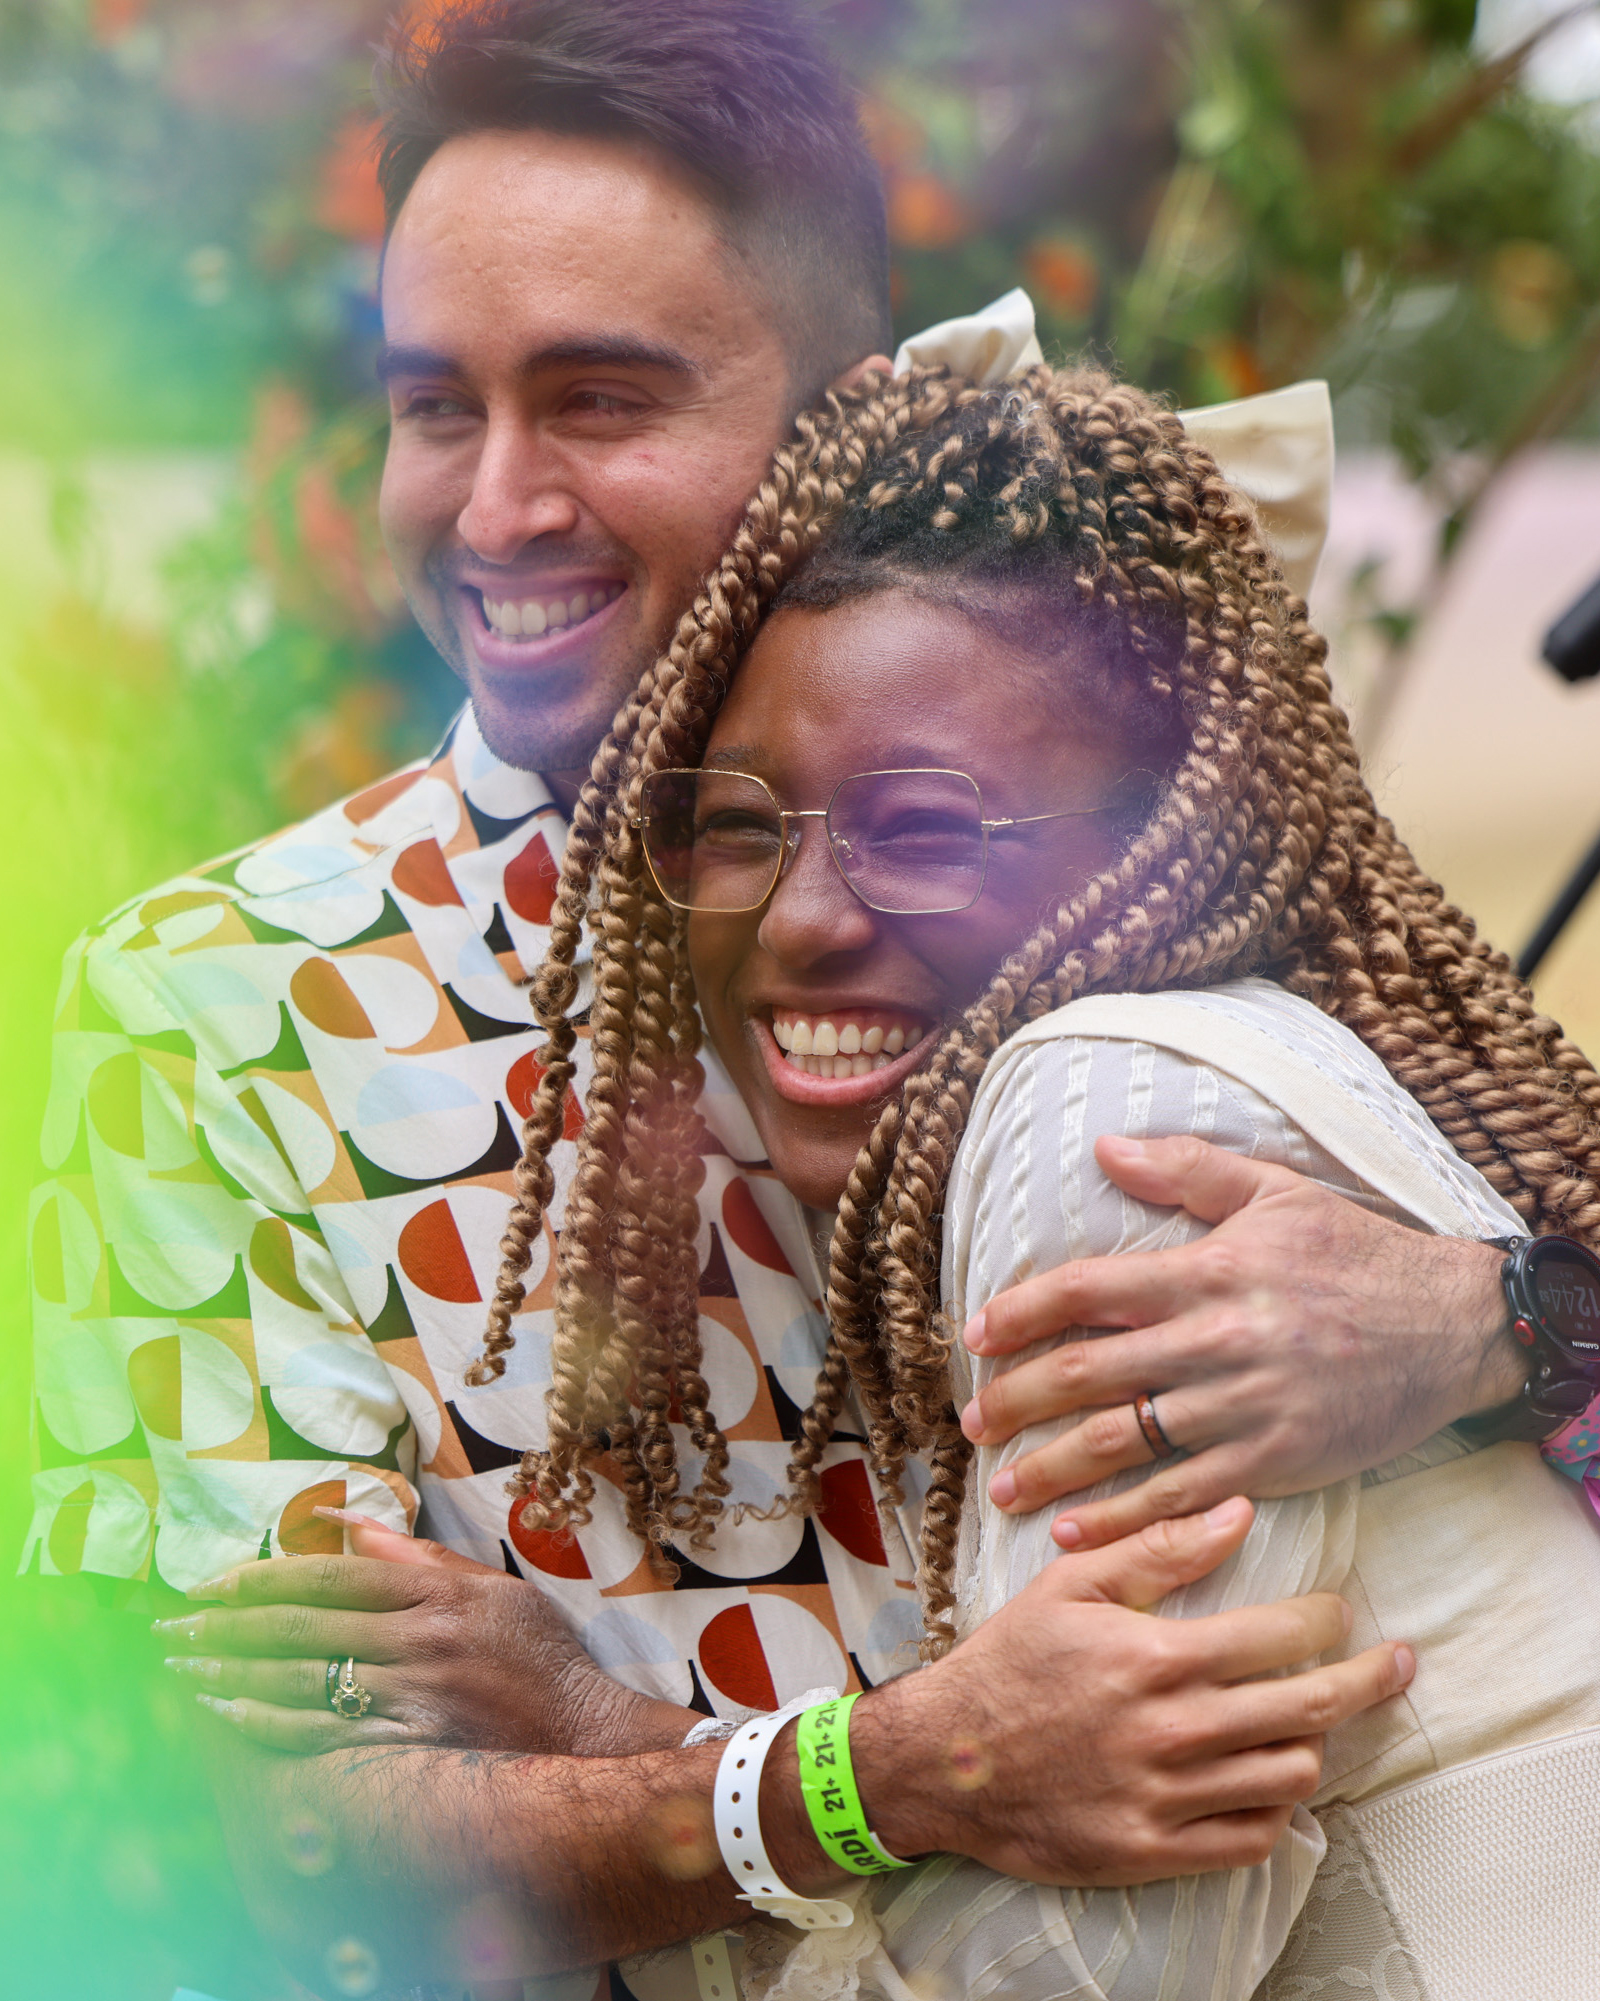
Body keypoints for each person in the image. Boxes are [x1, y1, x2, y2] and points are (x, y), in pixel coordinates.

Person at [20, 0, 1586, 1987]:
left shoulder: (1112, 852)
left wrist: (1503, 1311)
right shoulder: (227, 1005)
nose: (495, 506)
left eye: (597, 398)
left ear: (841, 409)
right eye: (434, 406)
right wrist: (857, 1777)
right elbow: (221, 1839)